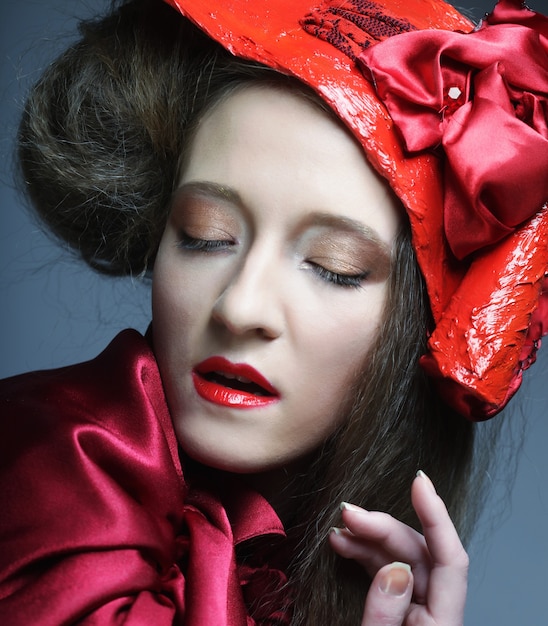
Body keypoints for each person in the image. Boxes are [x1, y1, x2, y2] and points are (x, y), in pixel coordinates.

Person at [0, 0, 546, 623]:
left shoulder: (300, 573)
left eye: (333, 266)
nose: (241, 306)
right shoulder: (56, 472)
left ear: (415, 330)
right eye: (205, 235)